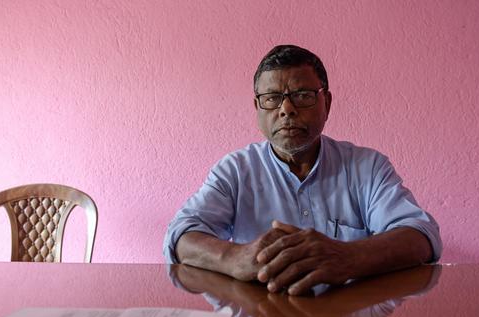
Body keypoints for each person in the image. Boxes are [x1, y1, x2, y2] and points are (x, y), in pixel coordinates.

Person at [163, 44, 442, 296]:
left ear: (327, 103)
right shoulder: (235, 171)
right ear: (257, 107)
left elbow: (421, 236)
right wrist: (234, 257)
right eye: (272, 98)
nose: (287, 109)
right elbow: (181, 237)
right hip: (262, 315)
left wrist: (348, 256)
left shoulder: (366, 167)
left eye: (302, 95)